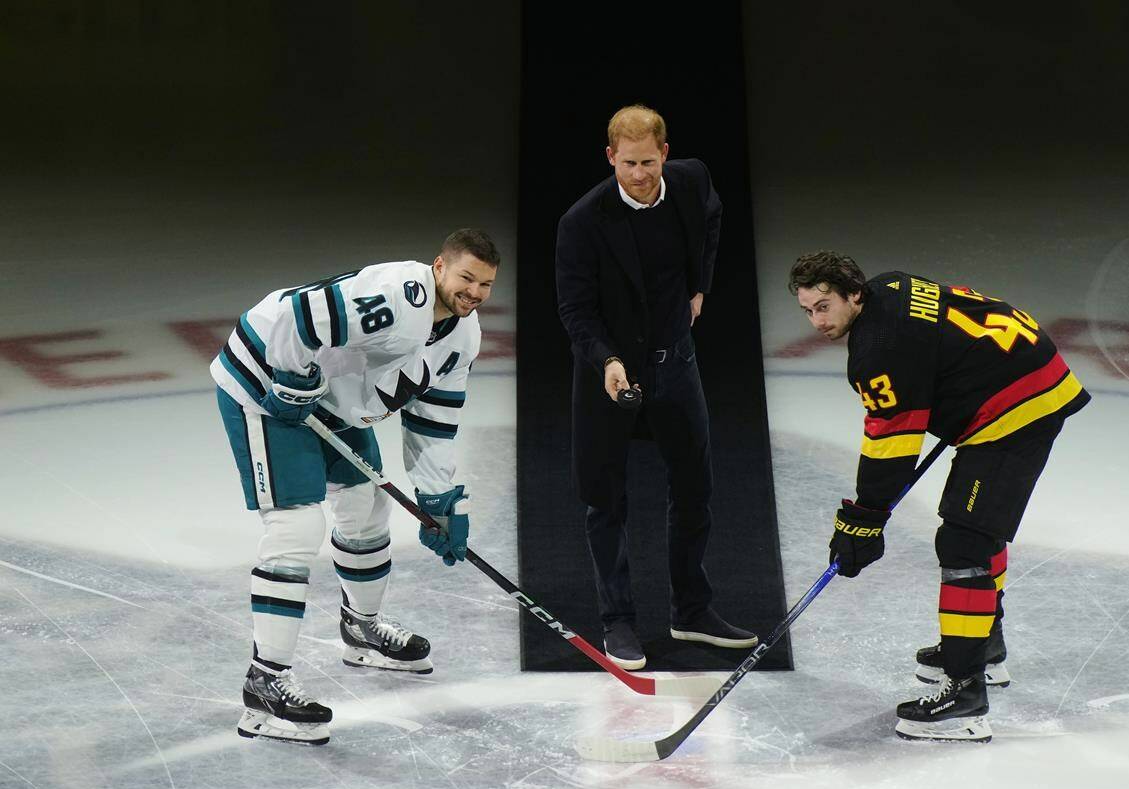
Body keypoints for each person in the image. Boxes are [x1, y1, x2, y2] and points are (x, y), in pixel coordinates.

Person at [211, 228, 499, 744]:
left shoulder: (463, 336)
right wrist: (292, 378)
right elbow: (302, 315)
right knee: (297, 526)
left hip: (333, 402)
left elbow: (433, 420)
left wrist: (438, 500)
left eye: (485, 284)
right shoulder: (398, 297)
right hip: (266, 384)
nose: (474, 292)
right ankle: (264, 684)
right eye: (466, 277)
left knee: (367, 507)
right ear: (439, 267)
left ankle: (361, 629)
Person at [789, 251, 1090, 743]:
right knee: (979, 527)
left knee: (965, 541)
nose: (817, 321)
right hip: (1025, 373)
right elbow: (939, 353)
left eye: (825, 306)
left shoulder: (876, 350)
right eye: (807, 310)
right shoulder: (891, 287)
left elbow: (891, 447)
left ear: (854, 294)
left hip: (1019, 405)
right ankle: (981, 646)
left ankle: (965, 694)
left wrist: (862, 521)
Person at [555, 104, 757, 670]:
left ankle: (690, 611)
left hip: (676, 362)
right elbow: (575, 311)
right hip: (609, 372)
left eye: (647, 162)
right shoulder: (582, 222)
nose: (638, 175)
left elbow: (712, 221)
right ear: (609, 157)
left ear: (665, 154)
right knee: (605, 499)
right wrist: (608, 361)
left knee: (695, 486)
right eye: (626, 164)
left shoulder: (692, 181)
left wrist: (700, 287)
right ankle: (618, 621)